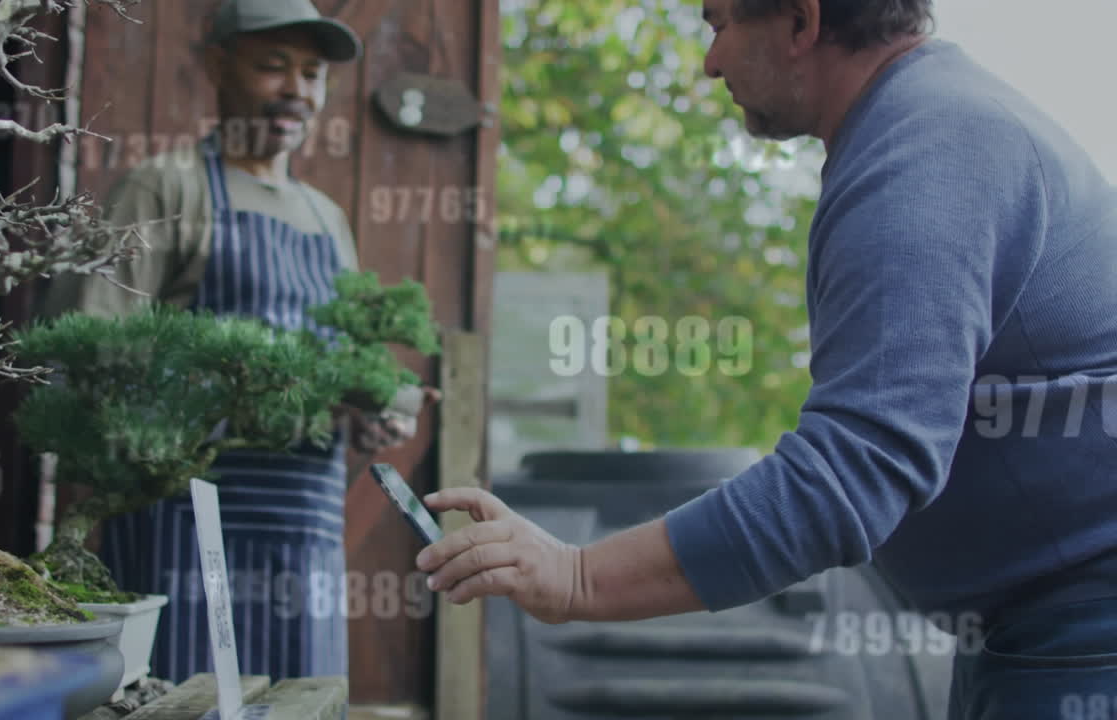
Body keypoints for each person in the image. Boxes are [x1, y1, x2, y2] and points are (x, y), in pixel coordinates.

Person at [415, 1, 1117, 718]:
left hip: (1088, 625)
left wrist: (576, 578)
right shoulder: (922, 125)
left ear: (802, 21)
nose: (710, 61)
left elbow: (854, 470)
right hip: (1038, 627)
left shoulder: (928, 151)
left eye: (719, 24)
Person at [39, 0, 424, 685]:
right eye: (273, 66)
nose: (296, 91)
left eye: (312, 73)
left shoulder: (326, 219)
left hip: (303, 527)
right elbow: (89, 360)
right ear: (218, 67)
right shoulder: (162, 189)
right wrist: (222, 398)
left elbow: (340, 362)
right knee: (186, 696)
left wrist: (371, 408)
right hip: (183, 518)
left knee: (300, 699)